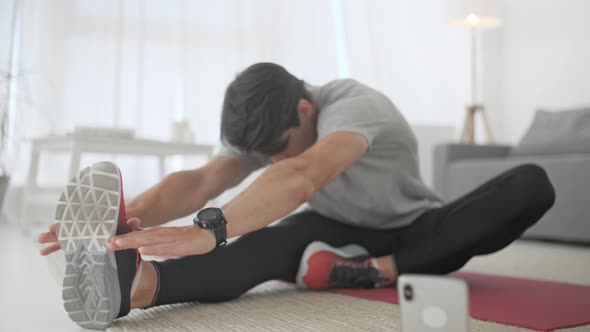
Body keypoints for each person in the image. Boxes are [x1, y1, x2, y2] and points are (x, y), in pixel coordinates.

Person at [37, 63, 556, 328]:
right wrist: (126, 219)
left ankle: (377, 270)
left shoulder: (355, 104)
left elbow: (303, 174)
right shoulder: (265, 129)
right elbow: (203, 181)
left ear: (305, 111)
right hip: (329, 230)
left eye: (276, 150)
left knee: (530, 183)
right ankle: (140, 288)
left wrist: (207, 230)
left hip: (412, 231)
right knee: (263, 246)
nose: (272, 160)